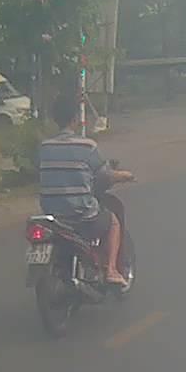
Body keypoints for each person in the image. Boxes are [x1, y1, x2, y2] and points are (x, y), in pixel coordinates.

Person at [38, 93, 134, 285]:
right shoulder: (87, 146)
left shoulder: (44, 146)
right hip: (80, 216)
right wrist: (125, 175)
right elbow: (105, 175)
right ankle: (112, 270)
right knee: (113, 222)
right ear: (75, 118)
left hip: (52, 216)